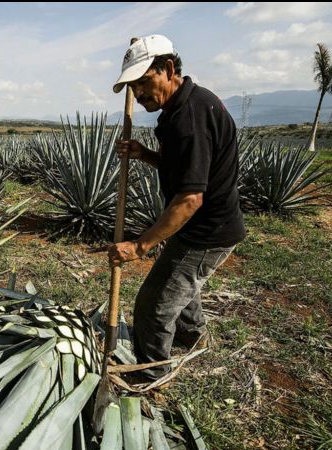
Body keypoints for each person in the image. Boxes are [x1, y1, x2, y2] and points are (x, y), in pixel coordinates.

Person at [109, 35, 246, 381]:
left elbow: (190, 199)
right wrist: (147, 155)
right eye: (133, 86)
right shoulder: (184, 108)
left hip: (204, 232)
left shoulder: (189, 120)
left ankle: (151, 378)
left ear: (168, 69)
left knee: (154, 306)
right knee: (182, 284)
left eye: (144, 81)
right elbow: (185, 170)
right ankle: (193, 335)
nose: (138, 93)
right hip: (202, 225)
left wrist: (139, 246)